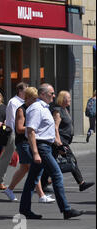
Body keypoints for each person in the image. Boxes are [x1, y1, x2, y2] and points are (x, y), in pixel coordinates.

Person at [19, 83, 83, 220]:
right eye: (51, 93)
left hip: (46, 145)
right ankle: (66, 209)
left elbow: (46, 130)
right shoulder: (36, 108)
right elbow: (30, 131)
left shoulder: (45, 108)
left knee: (32, 179)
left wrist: (58, 145)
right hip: (41, 147)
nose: (54, 95)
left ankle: (24, 209)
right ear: (42, 94)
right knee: (57, 175)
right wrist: (35, 152)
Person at [3, 87, 55, 203]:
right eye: (35, 98)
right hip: (23, 142)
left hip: (29, 141)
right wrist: (34, 127)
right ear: (29, 98)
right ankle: (41, 195)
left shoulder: (34, 108)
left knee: (24, 168)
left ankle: (10, 189)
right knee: (34, 167)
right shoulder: (22, 109)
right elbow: (19, 128)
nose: (37, 101)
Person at [50, 91, 94, 192]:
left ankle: (44, 181)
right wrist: (59, 143)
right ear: (63, 99)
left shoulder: (65, 109)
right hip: (61, 141)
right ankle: (81, 183)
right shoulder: (57, 111)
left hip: (64, 141)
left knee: (51, 162)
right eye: (68, 98)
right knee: (71, 161)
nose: (70, 99)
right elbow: (55, 128)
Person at [0, 82, 28, 190]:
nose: (27, 92)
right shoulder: (14, 102)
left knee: (24, 158)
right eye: (26, 90)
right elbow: (13, 119)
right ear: (20, 91)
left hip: (20, 132)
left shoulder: (23, 102)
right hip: (13, 132)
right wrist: (17, 133)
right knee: (6, 157)